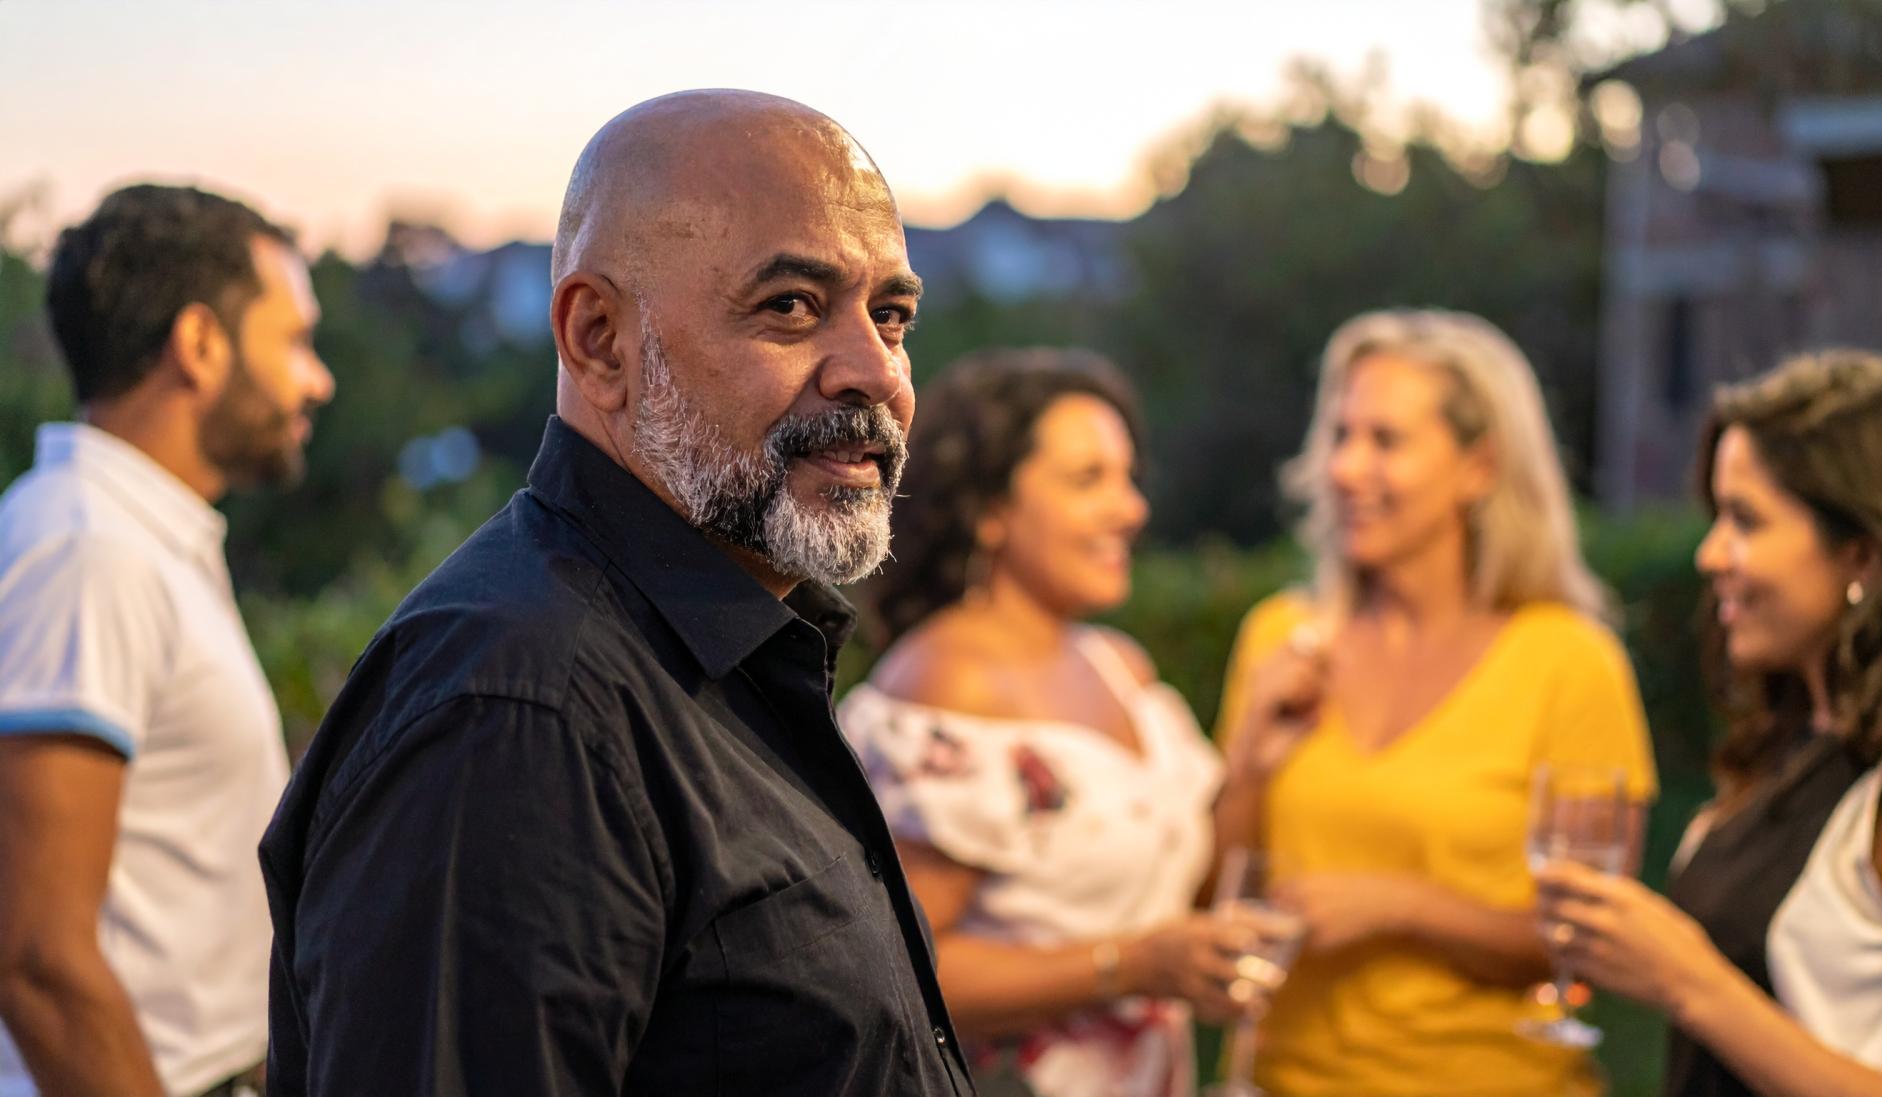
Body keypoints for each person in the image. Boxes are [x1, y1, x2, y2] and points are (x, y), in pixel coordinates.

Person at [258, 90, 970, 1096]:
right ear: (598, 339)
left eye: (889, 315)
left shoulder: (713, 651)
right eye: (790, 307)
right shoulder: (517, 709)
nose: (874, 372)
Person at [1213, 308, 1657, 1097]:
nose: (1346, 467)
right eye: (1340, 435)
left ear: (1479, 466)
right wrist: (1248, 755)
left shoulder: (1570, 660)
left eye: (1385, 440)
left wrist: (1400, 904)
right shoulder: (1280, 639)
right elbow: (1210, 901)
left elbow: (1585, 943)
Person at [843, 349, 1288, 1097]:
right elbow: (901, 972)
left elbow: (1202, 890)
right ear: (990, 510)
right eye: (1090, 480)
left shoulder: (1120, 665)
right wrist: (1134, 966)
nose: (1132, 508)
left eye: (1128, 477)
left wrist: (1252, 756)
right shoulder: (946, 686)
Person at [0, 184, 334, 1097]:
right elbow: (35, 957)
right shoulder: (84, 548)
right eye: (296, 340)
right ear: (200, 344)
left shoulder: (138, 537)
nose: (319, 379)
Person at [1540, 350, 1882, 1097]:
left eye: (1745, 520)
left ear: (1863, 553)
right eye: (1716, 515)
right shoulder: (1792, 742)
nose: (1711, 554)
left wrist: (1690, 981)